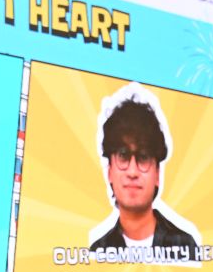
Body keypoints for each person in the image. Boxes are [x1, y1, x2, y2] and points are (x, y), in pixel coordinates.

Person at [86, 87, 201, 260]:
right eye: (123, 155)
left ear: (158, 174)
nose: (132, 172)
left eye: (143, 157)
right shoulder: (98, 251)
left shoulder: (184, 246)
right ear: (109, 171)